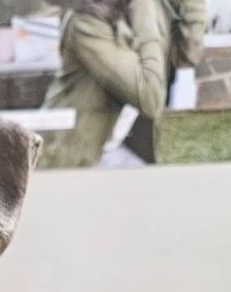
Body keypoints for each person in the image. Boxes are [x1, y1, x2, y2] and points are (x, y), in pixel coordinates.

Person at [40, 0, 205, 168]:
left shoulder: (151, 6)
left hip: (121, 146)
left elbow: (186, 56)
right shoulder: (85, 21)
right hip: (75, 155)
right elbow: (150, 99)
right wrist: (147, 25)